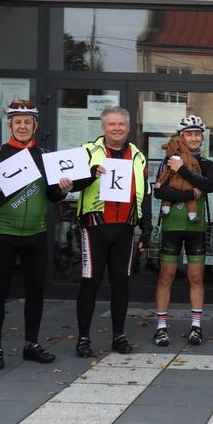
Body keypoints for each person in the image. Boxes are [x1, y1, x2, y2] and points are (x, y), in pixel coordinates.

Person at [0, 99, 71, 369]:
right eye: (18, 122)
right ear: (10, 125)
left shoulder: (46, 155)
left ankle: (31, 344)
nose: (23, 126)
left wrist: (62, 190)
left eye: (28, 122)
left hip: (36, 233)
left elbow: (52, 195)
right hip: (3, 232)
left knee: (36, 291)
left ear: (35, 125)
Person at [71, 107, 152, 357]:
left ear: (128, 128)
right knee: (90, 283)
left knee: (121, 284)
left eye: (121, 124)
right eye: (112, 124)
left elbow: (145, 193)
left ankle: (119, 336)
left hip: (125, 228)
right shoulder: (88, 151)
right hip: (95, 226)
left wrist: (146, 229)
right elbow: (71, 185)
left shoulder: (138, 155)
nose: (117, 128)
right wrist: (90, 174)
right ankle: (83, 338)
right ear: (103, 127)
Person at [151, 115, 213, 348]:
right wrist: (189, 194)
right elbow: (159, 192)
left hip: (196, 226)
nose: (194, 138)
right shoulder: (168, 160)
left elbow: (209, 186)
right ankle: (161, 328)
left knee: (196, 277)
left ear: (202, 137)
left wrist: (183, 171)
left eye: (197, 134)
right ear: (181, 137)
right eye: (189, 134)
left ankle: (196, 326)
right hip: (171, 225)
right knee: (166, 275)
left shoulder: (207, 163)